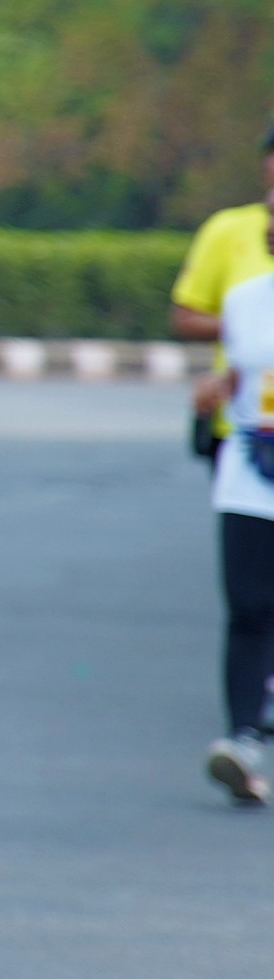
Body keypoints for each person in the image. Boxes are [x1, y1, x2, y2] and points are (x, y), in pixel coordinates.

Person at [176, 121, 274, 806]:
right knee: (247, 606)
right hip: (252, 464)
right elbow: (243, 371)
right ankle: (242, 740)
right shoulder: (244, 302)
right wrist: (215, 390)